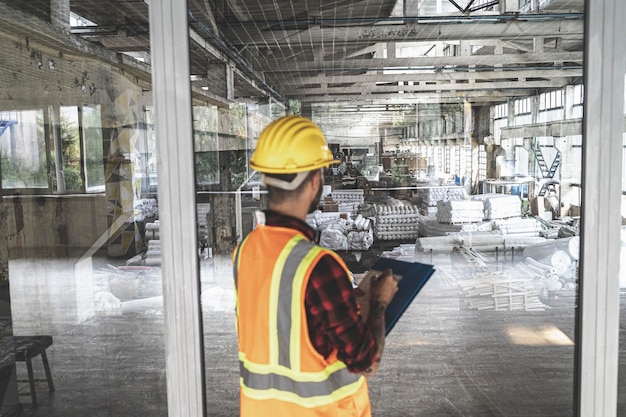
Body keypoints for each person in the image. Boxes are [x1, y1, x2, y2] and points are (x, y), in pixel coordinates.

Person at [232, 115, 398, 416]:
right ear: (313, 181)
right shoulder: (318, 266)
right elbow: (365, 360)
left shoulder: (244, 251)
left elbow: (284, 323)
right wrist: (379, 303)